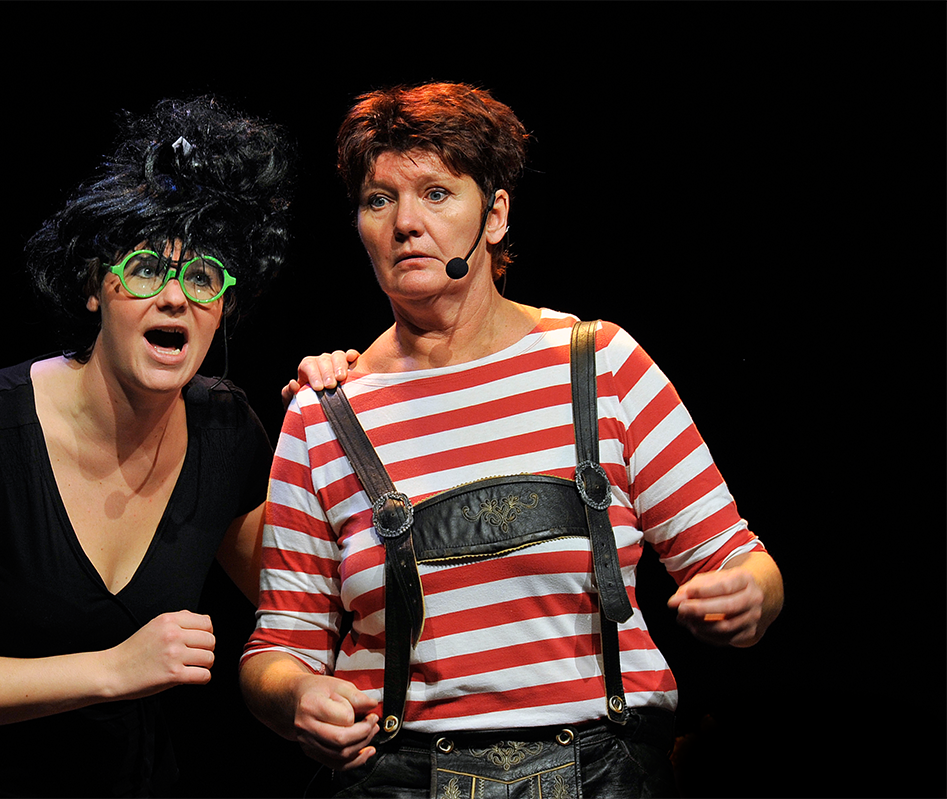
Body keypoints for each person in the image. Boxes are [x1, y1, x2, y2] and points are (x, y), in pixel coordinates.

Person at [239, 82, 784, 798]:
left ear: (494, 215)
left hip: (604, 772)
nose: (406, 223)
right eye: (379, 200)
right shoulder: (324, 414)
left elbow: (740, 559)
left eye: (437, 194)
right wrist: (296, 696)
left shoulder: (602, 366)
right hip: (398, 777)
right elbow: (279, 645)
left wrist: (750, 596)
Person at [0, 95, 331, 797]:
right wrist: (113, 669)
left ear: (225, 306)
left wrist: (351, 411)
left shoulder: (226, 431)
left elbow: (307, 593)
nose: (175, 297)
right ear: (92, 287)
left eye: (202, 277)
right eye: (145, 268)